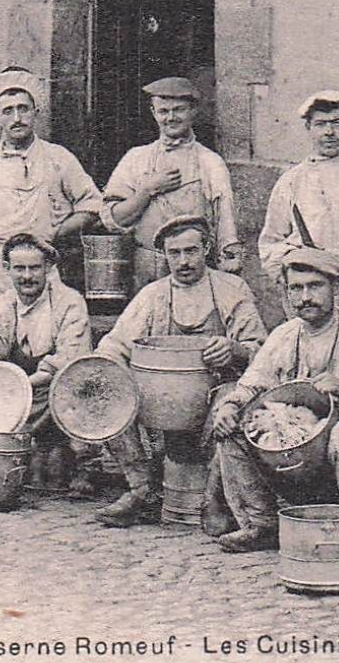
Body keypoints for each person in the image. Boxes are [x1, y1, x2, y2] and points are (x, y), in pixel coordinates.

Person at [93, 215, 266, 528]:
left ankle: (214, 500)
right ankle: (140, 488)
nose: (184, 261)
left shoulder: (231, 289)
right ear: (165, 255)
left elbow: (263, 353)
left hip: (212, 392)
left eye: (191, 251)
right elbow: (115, 345)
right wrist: (107, 372)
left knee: (231, 405)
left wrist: (235, 349)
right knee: (108, 390)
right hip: (161, 399)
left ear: (207, 249)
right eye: (175, 253)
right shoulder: (152, 296)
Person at [205, 249, 339, 553]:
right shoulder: (284, 335)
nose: (305, 297)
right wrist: (231, 405)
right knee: (230, 427)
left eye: (314, 286)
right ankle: (260, 524)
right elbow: (252, 382)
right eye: (295, 288)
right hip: (291, 452)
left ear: (336, 289)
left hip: (337, 457)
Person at [0, 67, 103, 353]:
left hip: (38, 265)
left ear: (36, 111)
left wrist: (57, 232)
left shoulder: (58, 158)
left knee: (41, 342)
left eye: (23, 109)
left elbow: (92, 205)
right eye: (7, 111)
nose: (17, 118)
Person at [0, 233, 93, 485]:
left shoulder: (69, 303)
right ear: (7, 270)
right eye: (19, 269)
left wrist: (23, 385)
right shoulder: (3, 306)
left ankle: (82, 463)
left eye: (34, 268)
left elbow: (71, 356)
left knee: (81, 384)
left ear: (48, 268)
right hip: (17, 388)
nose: (27, 276)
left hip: (56, 384)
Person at [103, 77, 243, 293]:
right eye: (163, 111)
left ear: (193, 111)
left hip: (196, 270)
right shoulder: (135, 159)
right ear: (153, 112)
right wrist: (148, 189)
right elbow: (114, 219)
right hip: (148, 270)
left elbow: (225, 222)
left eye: (178, 110)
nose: (171, 118)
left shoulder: (210, 162)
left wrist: (229, 264)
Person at [256, 90, 339, 306]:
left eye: (337, 123)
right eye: (321, 124)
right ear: (308, 128)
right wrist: (298, 268)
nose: (329, 132)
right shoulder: (291, 181)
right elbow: (270, 244)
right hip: (309, 295)